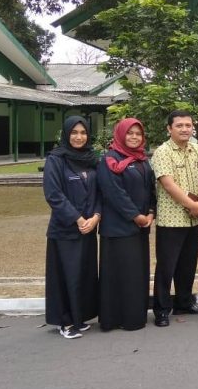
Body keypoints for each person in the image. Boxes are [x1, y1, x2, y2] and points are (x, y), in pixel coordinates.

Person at [150, 110, 198, 327]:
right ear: (169, 129)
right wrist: (193, 205)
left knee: (188, 264)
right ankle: (162, 309)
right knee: (167, 267)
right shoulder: (162, 152)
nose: (185, 129)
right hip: (171, 220)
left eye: (188, 125)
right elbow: (168, 184)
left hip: (194, 219)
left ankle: (184, 302)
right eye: (179, 125)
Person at [43, 116, 100, 339]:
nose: (79, 137)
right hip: (65, 230)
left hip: (88, 228)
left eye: (83, 133)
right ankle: (65, 321)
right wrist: (77, 219)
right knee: (66, 276)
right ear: (66, 134)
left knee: (84, 275)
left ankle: (80, 317)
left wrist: (96, 216)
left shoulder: (91, 159)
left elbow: (100, 191)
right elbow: (53, 194)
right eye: (74, 132)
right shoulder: (56, 160)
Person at [96, 118, 156, 331]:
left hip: (139, 229)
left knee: (136, 275)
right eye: (130, 133)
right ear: (121, 134)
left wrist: (151, 212)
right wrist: (135, 216)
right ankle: (114, 319)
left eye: (138, 134)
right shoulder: (109, 159)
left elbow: (150, 189)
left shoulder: (142, 159)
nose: (134, 137)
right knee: (118, 275)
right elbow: (113, 192)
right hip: (118, 229)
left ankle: (134, 317)